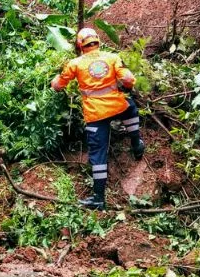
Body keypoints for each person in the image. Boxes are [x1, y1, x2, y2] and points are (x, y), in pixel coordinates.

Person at [51, 28, 145, 210]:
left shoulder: (75, 63)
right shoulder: (112, 58)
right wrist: (125, 82)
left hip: (95, 114)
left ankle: (98, 198)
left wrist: (55, 80)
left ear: (80, 45)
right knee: (130, 107)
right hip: (116, 106)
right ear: (98, 42)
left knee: (98, 154)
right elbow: (128, 80)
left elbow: (57, 86)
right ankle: (136, 144)